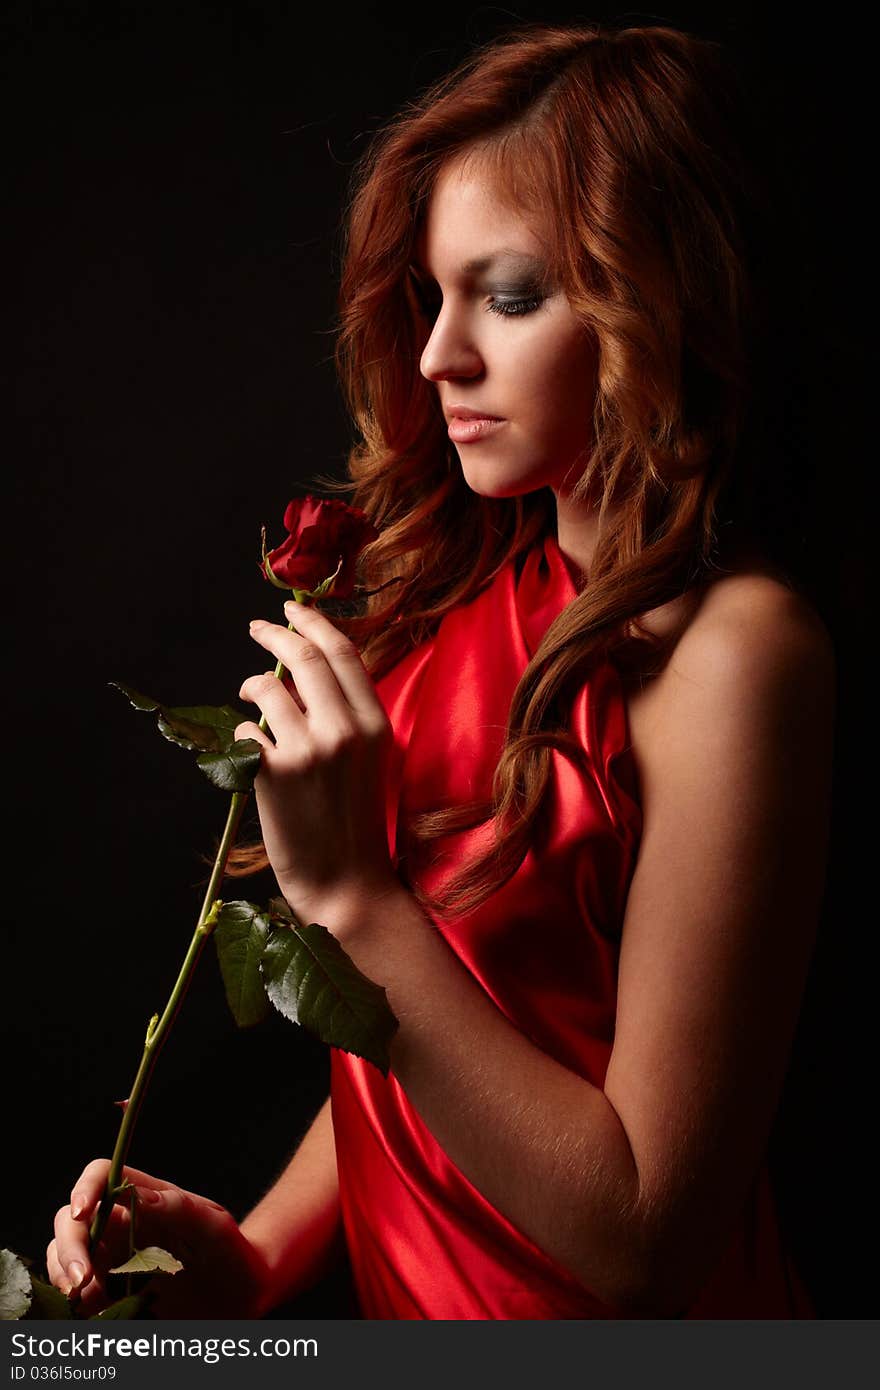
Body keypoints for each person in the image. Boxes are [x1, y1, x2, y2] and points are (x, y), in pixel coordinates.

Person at [46, 20, 834, 1319]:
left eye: (508, 296)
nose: (437, 355)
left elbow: (647, 1236)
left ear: (661, 296)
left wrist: (356, 899)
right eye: (435, 294)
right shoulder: (471, 596)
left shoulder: (736, 653)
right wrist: (258, 1256)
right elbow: (454, 1030)